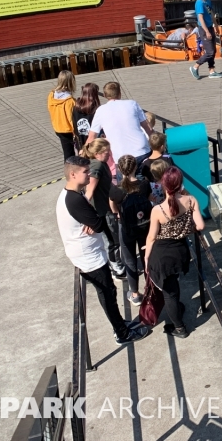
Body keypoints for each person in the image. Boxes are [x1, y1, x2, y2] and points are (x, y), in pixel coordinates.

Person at [55, 155, 148, 344]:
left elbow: (94, 222)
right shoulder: (75, 201)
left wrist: (92, 220)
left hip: (88, 253)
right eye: (85, 172)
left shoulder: (71, 195)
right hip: (89, 258)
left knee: (108, 292)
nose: (89, 175)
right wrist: (94, 221)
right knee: (108, 293)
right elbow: (98, 224)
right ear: (72, 174)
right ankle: (122, 333)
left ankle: (120, 324)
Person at [144, 167, 205, 338]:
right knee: (173, 286)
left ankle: (180, 328)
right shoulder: (191, 200)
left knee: (168, 293)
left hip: (161, 255)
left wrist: (147, 257)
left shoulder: (158, 210)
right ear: (181, 184)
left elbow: (151, 238)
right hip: (180, 251)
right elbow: (200, 226)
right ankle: (177, 309)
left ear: (163, 185)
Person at [111, 155, 153, 305]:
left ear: (120, 170)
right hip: (145, 225)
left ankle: (134, 293)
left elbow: (113, 205)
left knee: (129, 260)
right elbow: (150, 199)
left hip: (127, 227)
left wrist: (118, 215)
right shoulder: (144, 184)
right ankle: (151, 287)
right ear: (136, 167)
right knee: (146, 256)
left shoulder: (117, 189)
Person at [83, 138, 125, 278]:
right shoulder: (97, 166)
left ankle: (114, 264)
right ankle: (116, 268)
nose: (109, 154)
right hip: (103, 211)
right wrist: (86, 217)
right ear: (97, 153)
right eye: (107, 151)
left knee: (112, 240)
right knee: (112, 241)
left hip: (105, 208)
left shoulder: (101, 164)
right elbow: (89, 192)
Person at [87, 82, 153, 163]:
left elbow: (92, 136)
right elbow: (148, 128)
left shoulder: (100, 110)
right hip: (141, 150)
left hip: (120, 155)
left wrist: (84, 153)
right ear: (120, 93)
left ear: (104, 95)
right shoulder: (132, 104)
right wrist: (156, 144)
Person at [190, 0, 221, 79]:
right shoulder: (199, 3)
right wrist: (207, 31)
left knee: (213, 50)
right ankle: (195, 67)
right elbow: (200, 18)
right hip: (204, 29)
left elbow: (211, 14)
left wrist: (216, 25)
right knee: (210, 52)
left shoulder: (207, 1)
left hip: (210, 27)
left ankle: (211, 71)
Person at [47, 71, 77, 161]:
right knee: (70, 154)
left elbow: (50, 108)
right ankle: (69, 172)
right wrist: (75, 132)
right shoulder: (69, 101)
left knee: (67, 151)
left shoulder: (51, 95)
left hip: (57, 127)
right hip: (67, 130)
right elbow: (71, 118)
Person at [72, 83, 101, 152]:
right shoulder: (96, 109)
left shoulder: (76, 107)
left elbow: (74, 124)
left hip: (80, 142)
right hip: (93, 144)